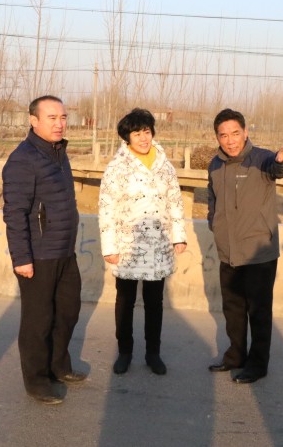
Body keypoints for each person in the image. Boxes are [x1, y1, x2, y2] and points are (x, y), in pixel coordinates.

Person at [2, 95, 85, 405]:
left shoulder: (58, 154)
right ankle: (37, 381)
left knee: (68, 311)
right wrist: (22, 258)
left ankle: (58, 366)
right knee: (38, 321)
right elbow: (15, 213)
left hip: (64, 250)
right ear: (33, 121)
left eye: (63, 117)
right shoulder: (23, 159)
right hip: (38, 254)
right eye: (52, 117)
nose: (59, 123)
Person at [206, 108, 283, 383]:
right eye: (224, 135)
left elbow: (279, 168)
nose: (230, 140)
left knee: (258, 312)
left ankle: (258, 364)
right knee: (233, 309)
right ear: (217, 137)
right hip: (228, 250)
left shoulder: (262, 159)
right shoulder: (215, 165)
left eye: (235, 133)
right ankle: (235, 356)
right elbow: (212, 200)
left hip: (259, 251)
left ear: (245, 132)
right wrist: (215, 224)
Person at [98, 108, 188, 376]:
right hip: (128, 246)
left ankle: (153, 353)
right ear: (127, 137)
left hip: (158, 246)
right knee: (125, 302)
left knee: (154, 302)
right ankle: (125, 352)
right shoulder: (117, 168)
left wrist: (178, 236)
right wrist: (109, 247)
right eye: (137, 133)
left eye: (146, 131)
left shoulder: (164, 165)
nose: (143, 138)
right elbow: (106, 209)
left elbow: (175, 201)